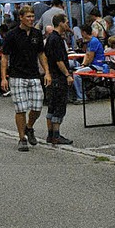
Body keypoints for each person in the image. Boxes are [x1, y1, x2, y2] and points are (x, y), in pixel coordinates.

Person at [0, 5, 51, 151]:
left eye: (32, 16)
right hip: (17, 75)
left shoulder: (36, 34)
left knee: (37, 107)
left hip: (34, 74)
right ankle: (22, 138)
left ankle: (29, 127)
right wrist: (4, 77)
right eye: (28, 17)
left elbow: (41, 54)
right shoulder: (12, 35)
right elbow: (4, 57)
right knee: (20, 109)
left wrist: (47, 72)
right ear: (21, 18)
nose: (31, 19)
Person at [44, 13, 74, 146]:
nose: (67, 24)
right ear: (60, 23)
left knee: (52, 105)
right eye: (66, 22)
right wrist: (67, 74)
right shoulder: (57, 39)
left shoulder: (50, 38)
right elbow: (59, 60)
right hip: (58, 76)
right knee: (59, 106)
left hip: (52, 75)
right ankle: (56, 135)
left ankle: (50, 134)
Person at [72, 21, 106, 103]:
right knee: (77, 69)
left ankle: (81, 97)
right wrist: (83, 65)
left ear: (84, 32)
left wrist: (84, 65)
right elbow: (87, 55)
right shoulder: (90, 41)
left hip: (98, 66)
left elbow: (90, 57)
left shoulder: (94, 41)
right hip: (93, 65)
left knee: (76, 74)